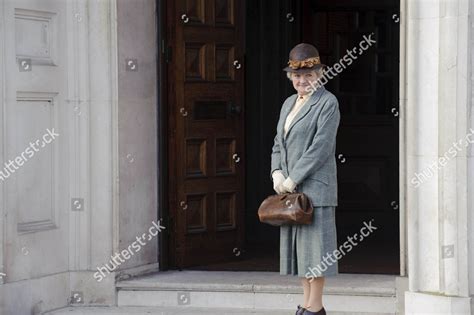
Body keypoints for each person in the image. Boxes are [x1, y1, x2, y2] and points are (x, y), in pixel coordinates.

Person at [270, 43, 340, 315]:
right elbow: (279, 143)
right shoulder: (288, 103)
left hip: (315, 190)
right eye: (298, 76)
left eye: (309, 75)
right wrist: (277, 172)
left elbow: (320, 148)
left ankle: (316, 306)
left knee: (316, 254)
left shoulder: (328, 103)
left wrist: (292, 179)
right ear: (291, 77)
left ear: (319, 74)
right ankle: (306, 303)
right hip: (291, 192)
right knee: (301, 253)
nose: (303, 80)